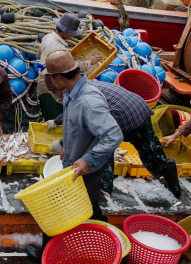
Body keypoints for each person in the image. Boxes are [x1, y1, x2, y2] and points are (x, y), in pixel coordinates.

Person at [25, 49, 123, 262]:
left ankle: (50, 256)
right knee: (88, 204)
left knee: (57, 208)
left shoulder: (89, 100)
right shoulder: (71, 93)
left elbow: (113, 135)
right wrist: (66, 146)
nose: (51, 82)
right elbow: (77, 126)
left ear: (59, 77)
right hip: (73, 161)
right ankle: (99, 236)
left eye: (51, 77)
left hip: (86, 167)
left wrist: (87, 160)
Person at [47, 73, 181, 197]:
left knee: (103, 148)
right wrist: (57, 121)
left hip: (129, 114)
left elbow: (78, 125)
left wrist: (64, 144)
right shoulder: (77, 87)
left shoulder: (74, 95)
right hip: (132, 107)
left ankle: (103, 187)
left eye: (54, 91)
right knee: (150, 153)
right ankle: (104, 186)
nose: (54, 95)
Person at [36, 12, 100, 120]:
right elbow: (73, 67)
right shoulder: (58, 47)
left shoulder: (48, 37)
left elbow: (38, 54)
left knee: (48, 116)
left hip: (42, 84)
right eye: (72, 33)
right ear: (65, 32)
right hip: (52, 89)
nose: (73, 35)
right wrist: (90, 62)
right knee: (55, 121)